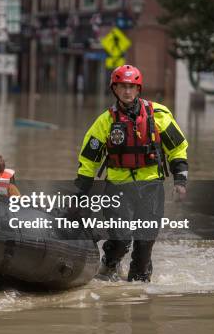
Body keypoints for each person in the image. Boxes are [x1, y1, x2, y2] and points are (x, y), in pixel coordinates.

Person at [74, 64, 188, 282]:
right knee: (120, 241)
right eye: (122, 86)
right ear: (114, 89)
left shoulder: (159, 116)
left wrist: (180, 180)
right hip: (118, 189)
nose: (127, 91)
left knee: (144, 246)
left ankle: (138, 294)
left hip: (151, 188)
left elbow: (177, 148)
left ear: (138, 89)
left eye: (131, 87)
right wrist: (81, 192)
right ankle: (108, 266)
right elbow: (88, 159)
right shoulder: (105, 121)